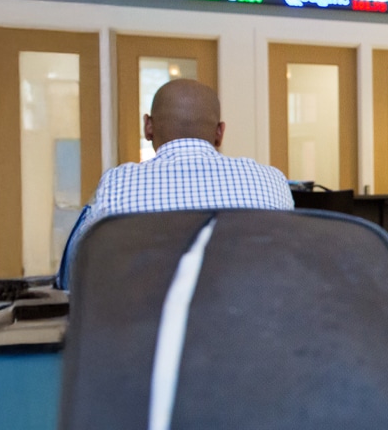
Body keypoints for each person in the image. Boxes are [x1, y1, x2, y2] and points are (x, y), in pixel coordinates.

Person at [58, 79, 294, 290]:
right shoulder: (272, 181)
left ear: (148, 126)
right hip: (252, 331)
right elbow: (290, 267)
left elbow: (72, 275)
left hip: (145, 333)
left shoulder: (117, 183)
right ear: (220, 132)